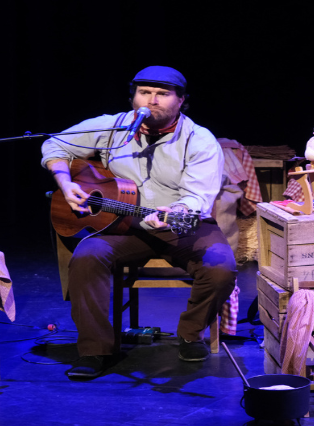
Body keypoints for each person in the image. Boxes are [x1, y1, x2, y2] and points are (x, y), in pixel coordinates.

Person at [41, 66, 237, 379]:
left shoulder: (199, 140)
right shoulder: (112, 126)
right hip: (121, 225)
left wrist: (173, 213)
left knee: (220, 268)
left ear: (181, 100)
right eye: (145, 92)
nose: (152, 100)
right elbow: (55, 144)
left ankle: (189, 333)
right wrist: (65, 183)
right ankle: (94, 351)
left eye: (162, 94)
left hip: (179, 224)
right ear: (133, 96)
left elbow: (196, 198)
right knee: (87, 257)